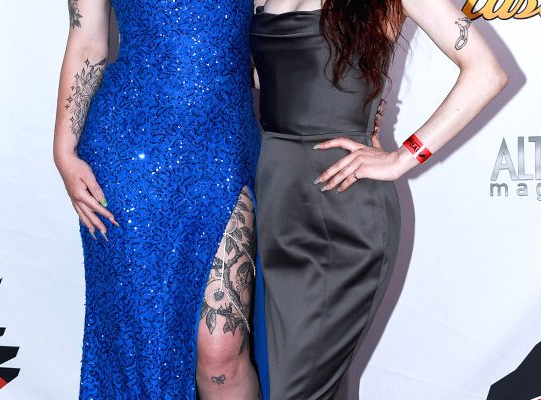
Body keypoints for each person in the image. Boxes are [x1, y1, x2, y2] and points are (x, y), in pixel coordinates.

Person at [249, 0, 507, 398]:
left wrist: (404, 157)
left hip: (342, 211)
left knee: (295, 389)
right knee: (276, 378)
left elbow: (487, 72)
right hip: (274, 197)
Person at [52, 0, 265, 398]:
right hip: (129, 162)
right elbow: (87, 42)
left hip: (224, 154)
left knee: (221, 355)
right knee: (141, 346)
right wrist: (64, 150)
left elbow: (283, 30)